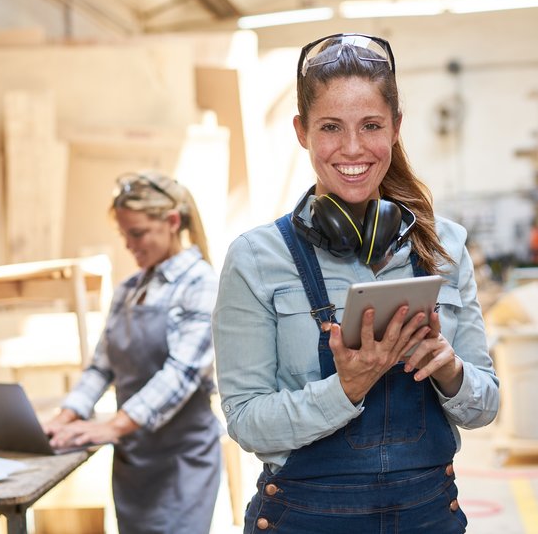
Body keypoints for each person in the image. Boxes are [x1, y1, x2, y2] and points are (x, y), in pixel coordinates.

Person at [212, 33, 500, 533]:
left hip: (427, 519)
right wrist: (344, 389)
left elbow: (486, 404)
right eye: (330, 127)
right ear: (301, 131)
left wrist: (449, 370)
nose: (352, 148)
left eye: (371, 126)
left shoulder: (444, 247)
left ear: (395, 129)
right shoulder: (256, 258)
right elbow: (245, 420)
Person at [44, 172, 222, 534]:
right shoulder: (128, 289)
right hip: (133, 461)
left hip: (180, 464)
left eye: (137, 233)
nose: (128, 244)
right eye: (124, 234)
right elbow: (100, 366)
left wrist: (112, 425)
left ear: (172, 222)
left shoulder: (201, 285)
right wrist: (64, 417)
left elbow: (181, 375)